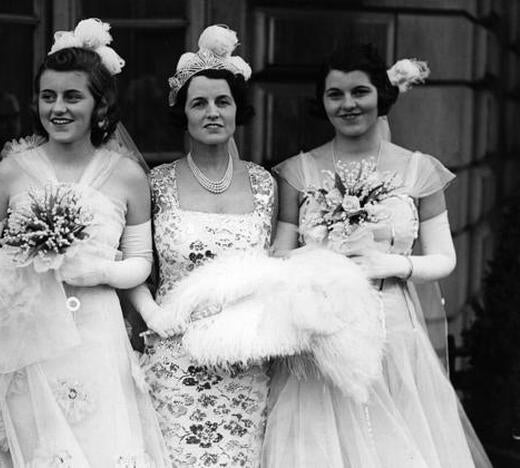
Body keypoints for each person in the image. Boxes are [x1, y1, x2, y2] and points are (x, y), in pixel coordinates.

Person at [0, 19, 169, 467]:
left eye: (73, 96)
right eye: (49, 97)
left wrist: (99, 271)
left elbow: (141, 262)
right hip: (32, 339)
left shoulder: (126, 176)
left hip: (98, 337)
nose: (59, 108)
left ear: (99, 105)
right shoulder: (13, 170)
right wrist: (26, 266)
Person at [264, 43, 491, 467]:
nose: (348, 104)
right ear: (323, 101)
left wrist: (396, 265)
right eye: (335, 94)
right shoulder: (298, 172)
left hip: (393, 326)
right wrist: (315, 269)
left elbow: (445, 258)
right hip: (322, 331)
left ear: (380, 95)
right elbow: (281, 252)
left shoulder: (419, 170)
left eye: (360, 91)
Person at [126, 25, 275, 467]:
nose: (212, 112)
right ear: (184, 114)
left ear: (237, 111)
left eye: (222, 101)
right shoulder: (157, 184)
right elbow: (132, 264)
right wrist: (154, 317)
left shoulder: (265, 184)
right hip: (175, 358)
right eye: (199, 103)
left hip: (247, 361)